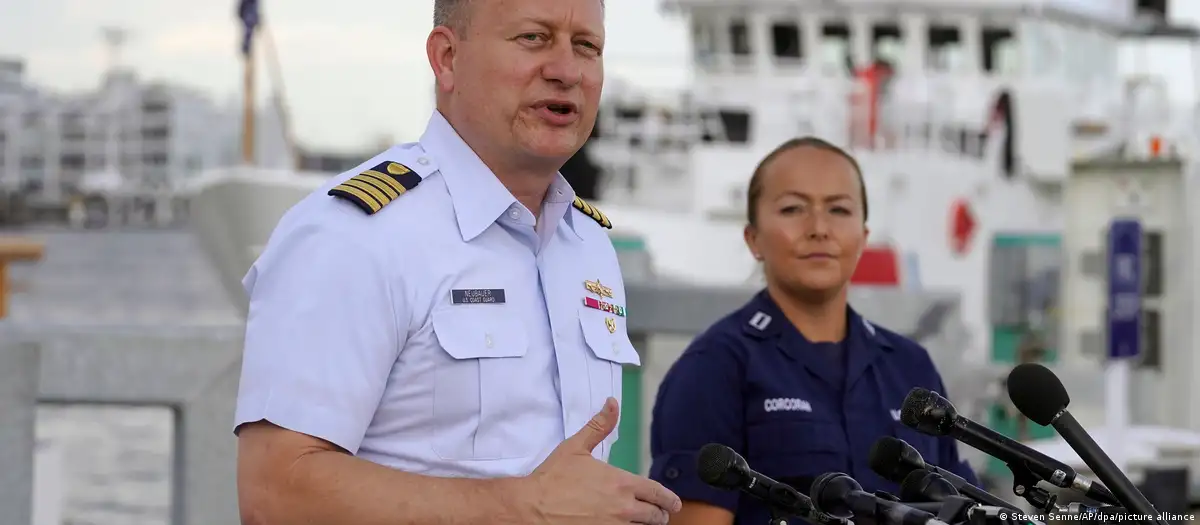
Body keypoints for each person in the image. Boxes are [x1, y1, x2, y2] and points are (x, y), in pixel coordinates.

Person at [231, 0, 682, 524]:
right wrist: (519, 508)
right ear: (447, 58)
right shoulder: (354, 236)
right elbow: (273, 494)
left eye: (587, 46)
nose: (566, 70)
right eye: (534, 38)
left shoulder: (588, 245)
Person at [647, 137, 979, 525]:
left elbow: (960, 510)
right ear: (753, 239)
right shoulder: (713, 369)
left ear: (864, 238)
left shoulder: (911, 368)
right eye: (792, 209)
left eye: (839, 209)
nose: (819, 228)